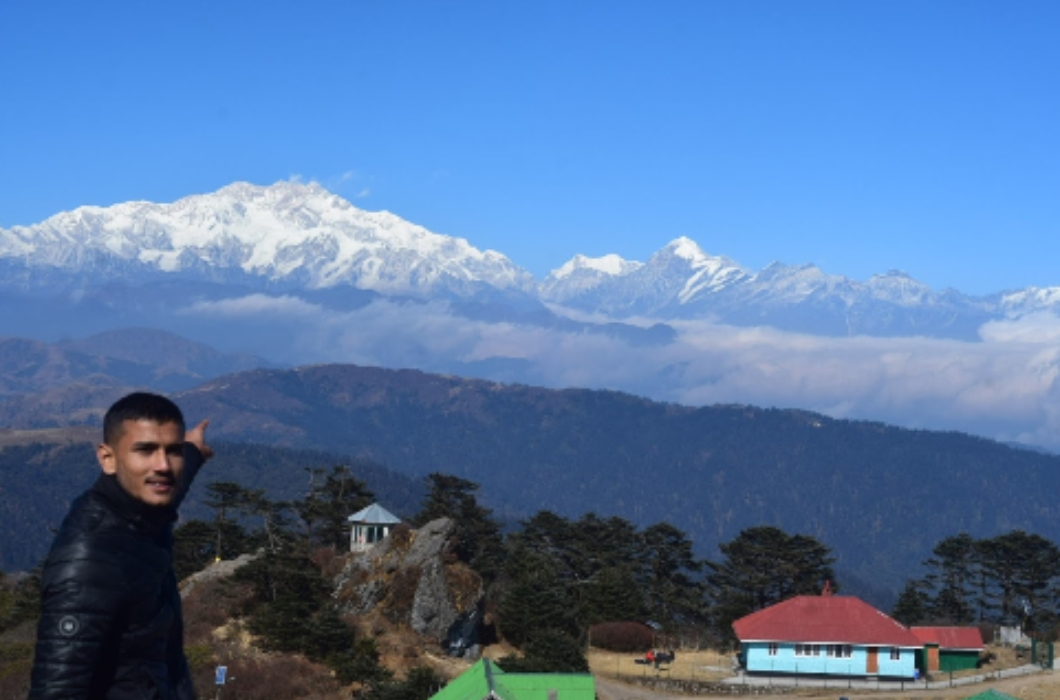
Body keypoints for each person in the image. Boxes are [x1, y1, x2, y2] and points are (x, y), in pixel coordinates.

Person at [29, 392, 213, 700]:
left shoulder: (142, 512)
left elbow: (167, 484)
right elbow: (57, 690)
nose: (164, 465)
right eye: (145, 450)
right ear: (108, 458)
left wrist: (194, 450)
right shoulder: (90, 562)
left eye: (173, 450)